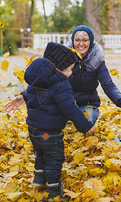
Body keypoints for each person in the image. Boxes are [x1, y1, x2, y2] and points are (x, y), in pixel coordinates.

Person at [5, 25, 121, 123]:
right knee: (51, 117)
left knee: (87, 118)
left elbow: (108, 85)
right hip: (64, 102)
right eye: (77, 40)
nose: (81, 44)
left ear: (90, 42)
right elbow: (45, 81)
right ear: (73, 41)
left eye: (85, 40)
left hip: (87, 104)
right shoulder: (63, 58)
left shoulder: (98, 61)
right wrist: (24, 96)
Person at [23, 41, 95, 200]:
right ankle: (54, 192)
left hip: (33, 131)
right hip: (50, 133)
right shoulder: (61, 85)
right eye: (69, 69)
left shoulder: (38, 81)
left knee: (41, 154)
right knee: (54, 158)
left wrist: (21, 97)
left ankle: (39, 181)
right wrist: (85, 126)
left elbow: (29, 93)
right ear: (58, 68)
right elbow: (70, 108)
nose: (70, 73)